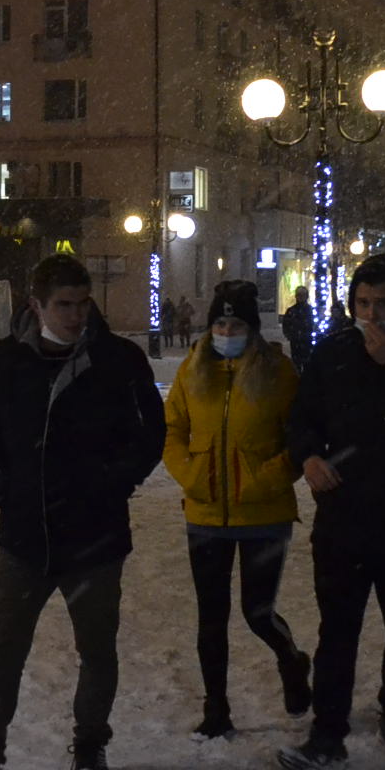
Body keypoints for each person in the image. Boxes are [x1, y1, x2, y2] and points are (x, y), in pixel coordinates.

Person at [0, 255, 167, 770]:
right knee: (5, 647)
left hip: (95, 533)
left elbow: (151, 434)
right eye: (63, 304)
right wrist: (7, 492)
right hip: (26, 535)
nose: (75, 315)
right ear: (36, 305)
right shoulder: (5, 362)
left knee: (96, 646)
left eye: (82, 303)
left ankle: (90, 746)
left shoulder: (117, 360)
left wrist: (115, 483)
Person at [277, 253, 385, 770]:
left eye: (382, 303)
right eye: (362, 303)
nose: (371, 314)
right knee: (338, 628)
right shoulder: (334, 353)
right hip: (345, 514)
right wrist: (309, 456)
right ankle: (328, 733)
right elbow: (302, 417)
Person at [162, 280, 310, 741]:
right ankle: (217, 708)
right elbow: (172, 430)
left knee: (256, 611)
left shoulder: (279, 373)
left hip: (265, 515)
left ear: (252, 327)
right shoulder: (192, 371)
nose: (227, 330)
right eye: (221, 322)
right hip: (206, 514)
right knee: (211, 615)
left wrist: (264, 478)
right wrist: (189, 474)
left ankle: (291, 659)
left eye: (237, 323)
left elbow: (300, 438)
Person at [280, 285, 315, 369]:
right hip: (295, 341)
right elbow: (286, 324)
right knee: (296, 363)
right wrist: (289, 335)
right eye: (299, 295)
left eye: (303, 295)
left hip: (307, 340)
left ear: (306, 296)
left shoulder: (311, 310)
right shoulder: (291, 311)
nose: (301, 297)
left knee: (307, 363)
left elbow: (313, 325)